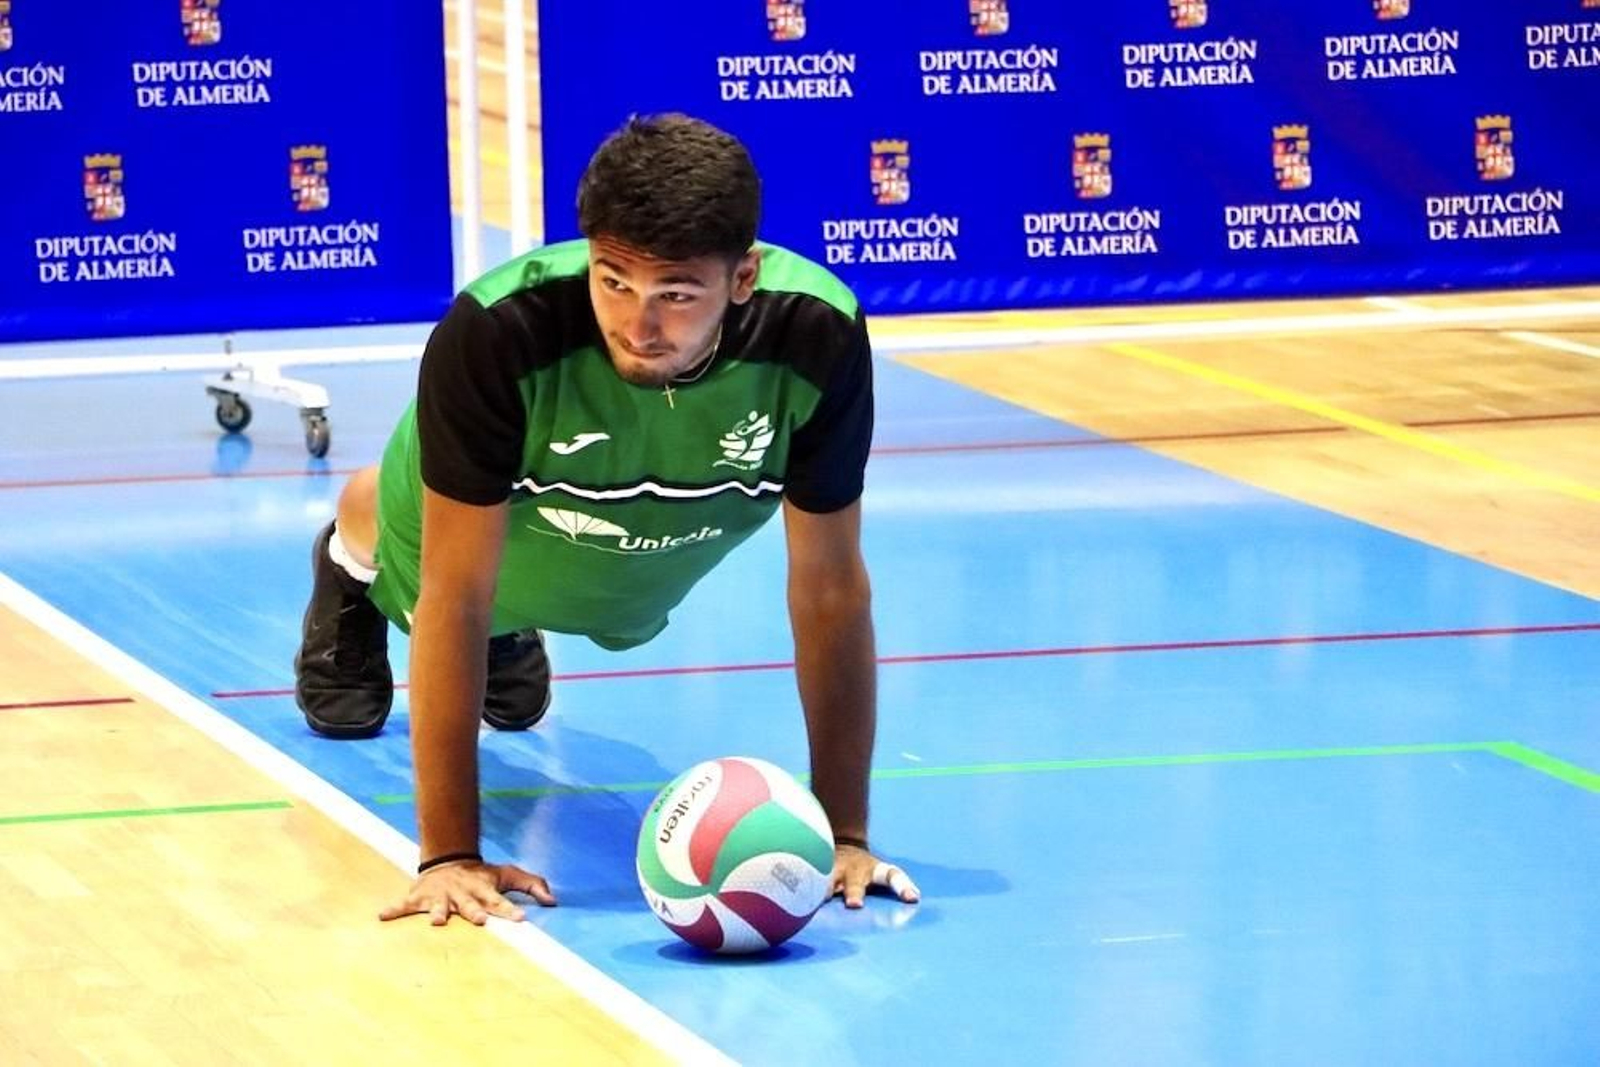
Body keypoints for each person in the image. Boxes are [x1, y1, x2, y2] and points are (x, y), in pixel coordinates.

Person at [292, 113, 921, 926]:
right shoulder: (497, 333)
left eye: (676, 294)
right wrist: (450, 854)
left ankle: (517, 624)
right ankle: (352, 562)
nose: (636, 321)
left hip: (630, 548)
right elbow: (456, 589)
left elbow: (831, 588)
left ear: (743, 279)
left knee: (584, 595)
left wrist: (843, 832)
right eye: (613, 279)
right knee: (402, 521)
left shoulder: (818, 336)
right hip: (462, 535)